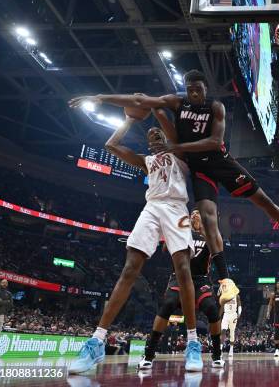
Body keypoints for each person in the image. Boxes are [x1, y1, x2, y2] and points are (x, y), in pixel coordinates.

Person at [68, 76, 279, 303]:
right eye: (190, 89)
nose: (195, 93)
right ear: (187, 91)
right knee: (209, 220)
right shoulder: (175, 103)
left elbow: (214, 141)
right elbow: (137, 99)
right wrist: (99, 97)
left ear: (205, 89)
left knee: (262, 199)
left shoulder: (215, 107)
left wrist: (177, 148)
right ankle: (226, 281)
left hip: (219, 161)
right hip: (200, 171)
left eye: (198, 89)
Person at [68, 116, 202, 373]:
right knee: (130, 269)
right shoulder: (146, 161)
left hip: (177, 208)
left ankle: (193, 343)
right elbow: (110, 145)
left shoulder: (180, 155)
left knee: (184, 270)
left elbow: (175, 135)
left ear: (165, 137)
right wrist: (129, 120)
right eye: (150, 135)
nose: (154, 136)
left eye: (158, 133)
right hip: (152, 208)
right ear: (148, 143)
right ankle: (96, 341)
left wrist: (155, 110)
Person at [139, 210, 224, 370]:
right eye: (192, 213)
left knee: (212, 309)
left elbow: (218, 250)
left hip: (200, 279)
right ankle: (149, 354)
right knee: (167, 305)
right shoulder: (182, 232)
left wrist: (203, 229)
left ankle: (217, 355)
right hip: (178, 277)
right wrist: (181, 227)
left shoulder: (209, 236)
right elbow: (165, 248)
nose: (194, 215)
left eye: (198, 213)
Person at [221, 294, 241, 358]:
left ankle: (231, 349)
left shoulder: (237, 296)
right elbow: (221, 305)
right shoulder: (224, 294)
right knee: (223, 330)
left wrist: (239, 313)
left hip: (233, 315)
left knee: (232, 332)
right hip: (226, 314)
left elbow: (239, 306)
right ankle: (220, 349)